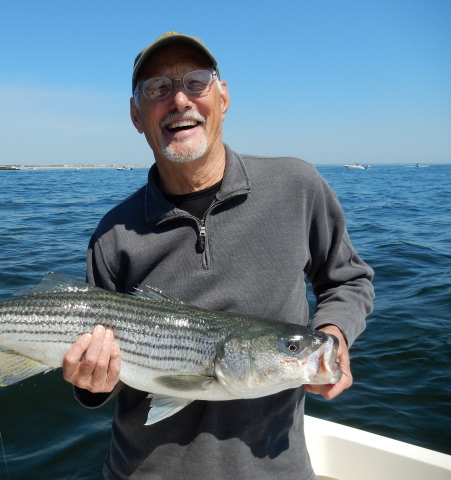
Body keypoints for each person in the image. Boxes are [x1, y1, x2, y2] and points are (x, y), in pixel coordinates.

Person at [62, 31, 374, 480]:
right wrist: (90, 383)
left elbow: (349, 280)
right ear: (136, 114)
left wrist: (334, 335)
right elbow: (97, 374)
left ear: (223, 97)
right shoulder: (112, 234)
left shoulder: (296, 186)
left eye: (196, 82)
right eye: (158, 88)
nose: (179, 101)